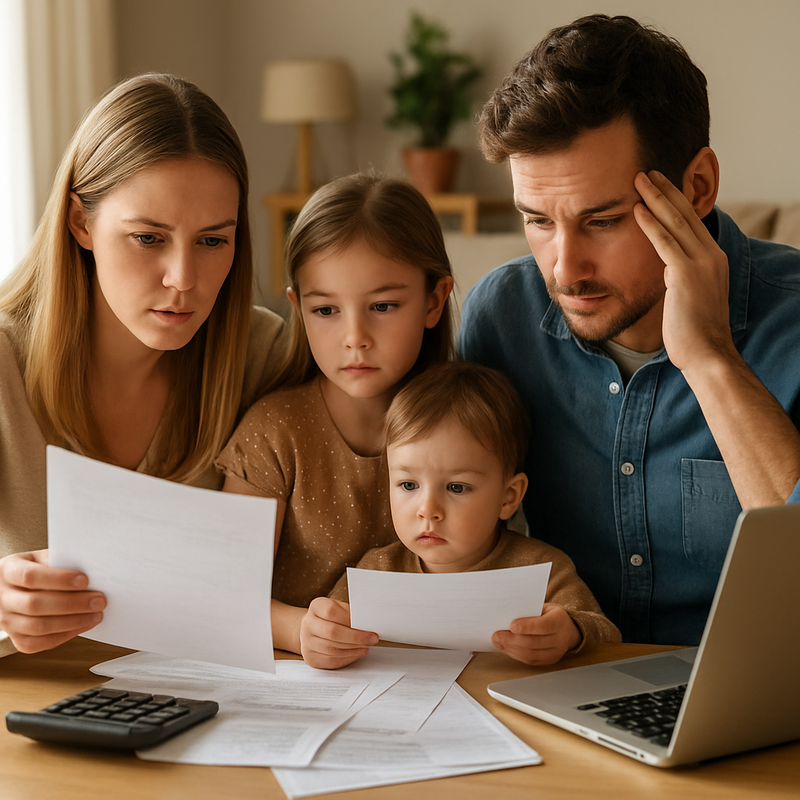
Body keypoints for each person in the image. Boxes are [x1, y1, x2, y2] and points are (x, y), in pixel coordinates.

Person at [459, 14, 800, 646]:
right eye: (536, 220)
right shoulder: (500, 320)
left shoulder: (793, 325)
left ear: (696, 187)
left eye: (604, 220)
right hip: (564, 688)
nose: (564, 268)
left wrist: (710, 360)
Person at [0, 73, 286, 656]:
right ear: (81, 222)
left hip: (208, 708)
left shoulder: (263, 355)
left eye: (212, 241)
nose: (183, 280)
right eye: (149, 238)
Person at [216, 172, 454, 658]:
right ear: (298, 309)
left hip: (432, 677)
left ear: (434, 300)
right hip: (298, 683)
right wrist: (299, 632)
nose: (355, 336)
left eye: (383, 305)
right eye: (326, 310)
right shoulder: (274, 433)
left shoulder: (460, 426)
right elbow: (224, 594)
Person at [303, 361, 620, 670]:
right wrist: (320, 635)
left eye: (456, 487)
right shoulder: (377, 570)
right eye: (408, 484)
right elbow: (331, 631)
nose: (428, 510)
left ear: (508, 497)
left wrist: (570, 633)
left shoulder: (541, 571)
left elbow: (608, 639)